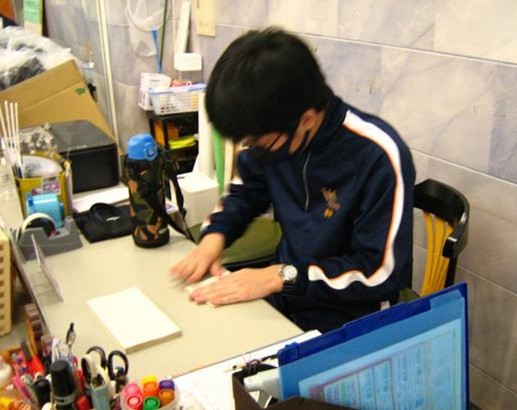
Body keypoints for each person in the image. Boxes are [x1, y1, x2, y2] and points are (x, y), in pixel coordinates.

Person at [170, 27, 416, 333]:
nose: (252, 151)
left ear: (306, 119)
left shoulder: (377, 156)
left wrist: (280, 276)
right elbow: (246, 192)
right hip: (289, 297)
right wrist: (214, 239)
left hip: (351, 320)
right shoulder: (276, 136)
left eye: (257, 144)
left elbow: (380, 273)